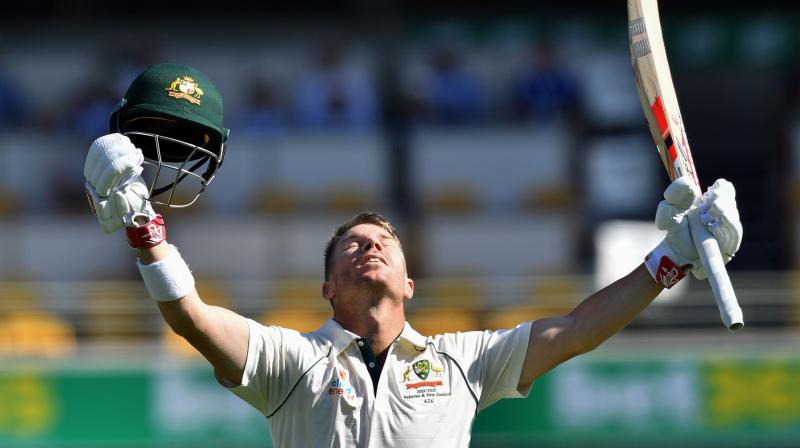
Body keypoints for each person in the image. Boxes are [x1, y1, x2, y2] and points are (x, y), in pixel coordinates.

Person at [84, 63, 743, 447]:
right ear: (329, 290)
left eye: (383, 242)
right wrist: (144, 226)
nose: (368, 246)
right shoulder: (290, 365)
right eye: (351, 245)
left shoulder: (462, 363)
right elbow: (191, 318)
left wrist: (671, 259)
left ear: (410, 280)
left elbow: (577, 330)